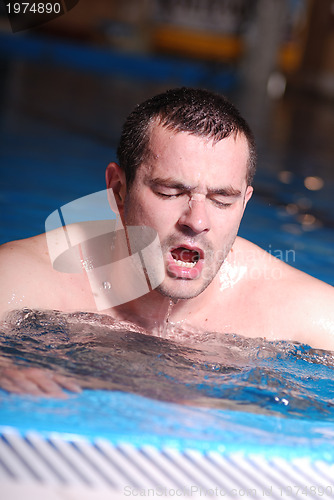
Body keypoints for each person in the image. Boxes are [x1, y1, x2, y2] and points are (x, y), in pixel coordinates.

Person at [1, 87, 334, 396]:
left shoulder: (298, 308)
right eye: (170, 191)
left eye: (222, 199)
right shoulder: (29, 277)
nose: (197, 221)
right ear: (118, 189)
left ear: (245, 203)